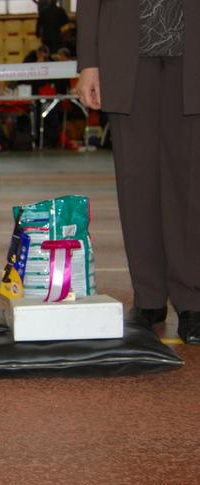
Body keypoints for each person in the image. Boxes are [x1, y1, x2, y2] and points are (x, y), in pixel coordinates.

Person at [76, 0, 200, 344]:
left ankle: (192, 301)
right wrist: (89, 63)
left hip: (192, 53)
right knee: (136, 182)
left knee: (190, 185)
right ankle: (148, 298)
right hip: (124, 55)